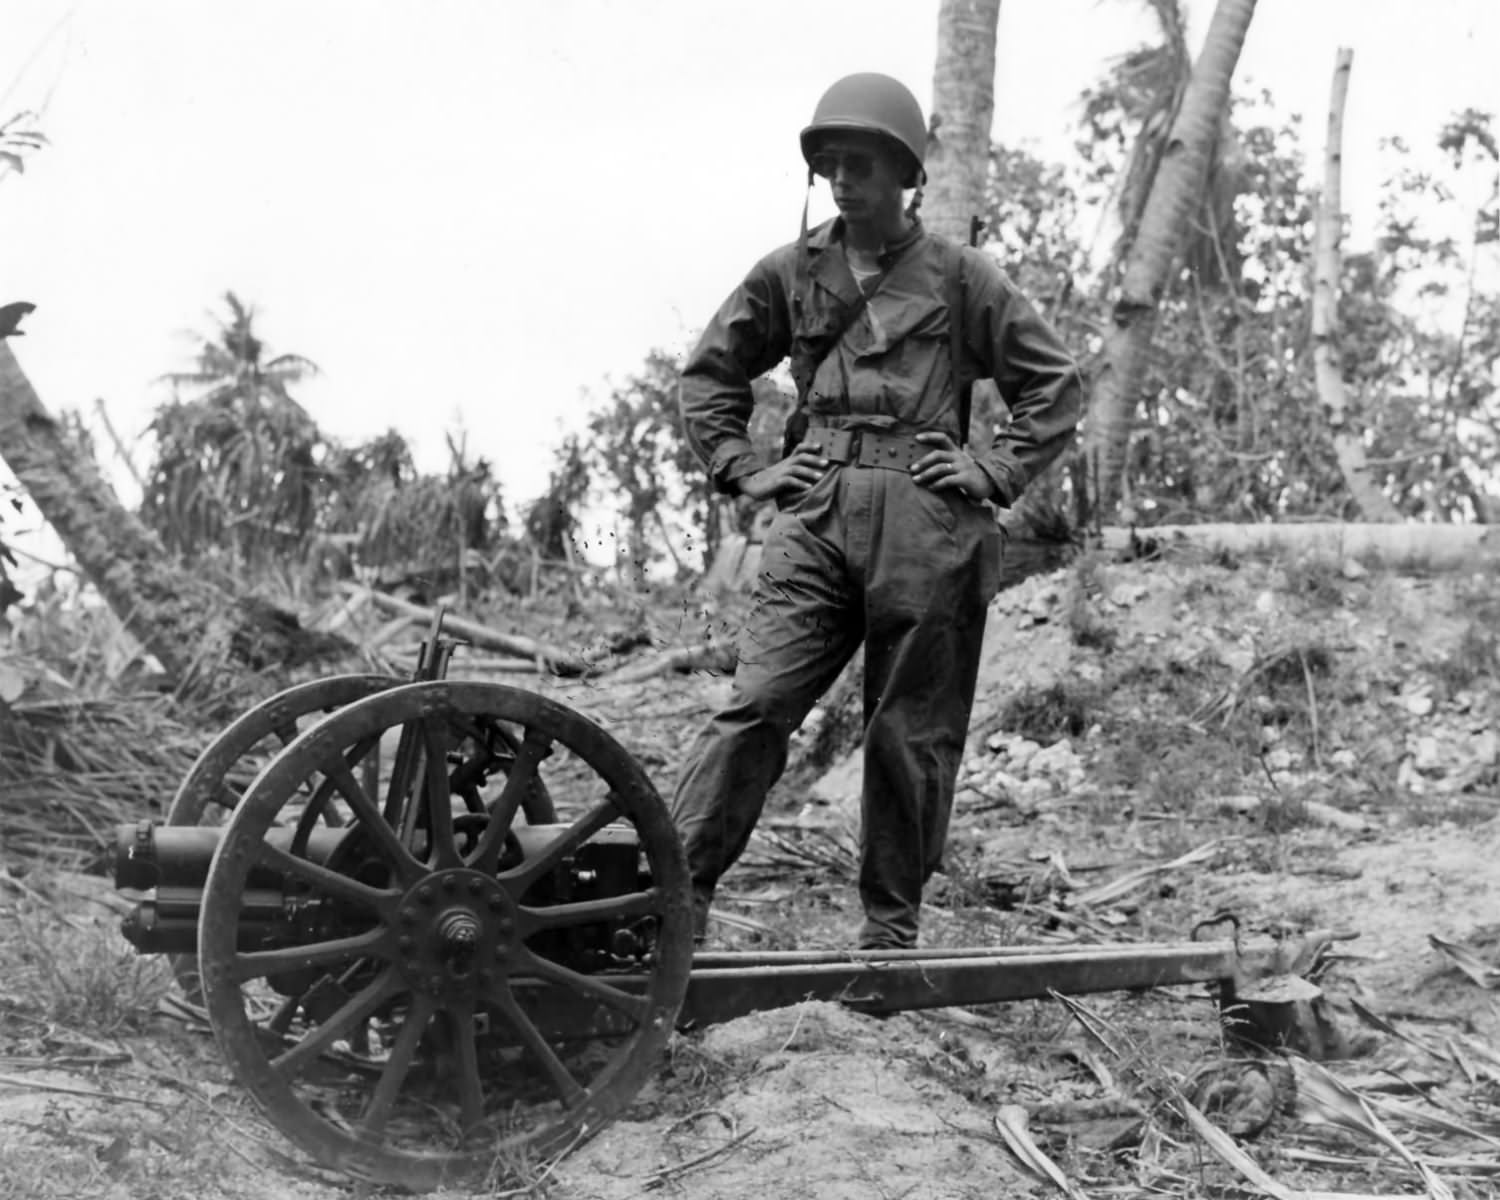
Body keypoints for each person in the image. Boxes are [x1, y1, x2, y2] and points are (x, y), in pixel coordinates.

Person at [671, 72, 1083, 950]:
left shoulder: (962, 277)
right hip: (815, 512)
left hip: (927, 522)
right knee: (755, 705)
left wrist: (994, 468)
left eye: (861, 164)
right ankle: (674, 904)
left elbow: (1053, 384)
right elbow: (710, 374)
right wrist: (743, 468)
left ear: (905, 176)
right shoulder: (789, 273)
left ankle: (889, 932)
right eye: (830, 164)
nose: (843, 179)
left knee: (910, 733)